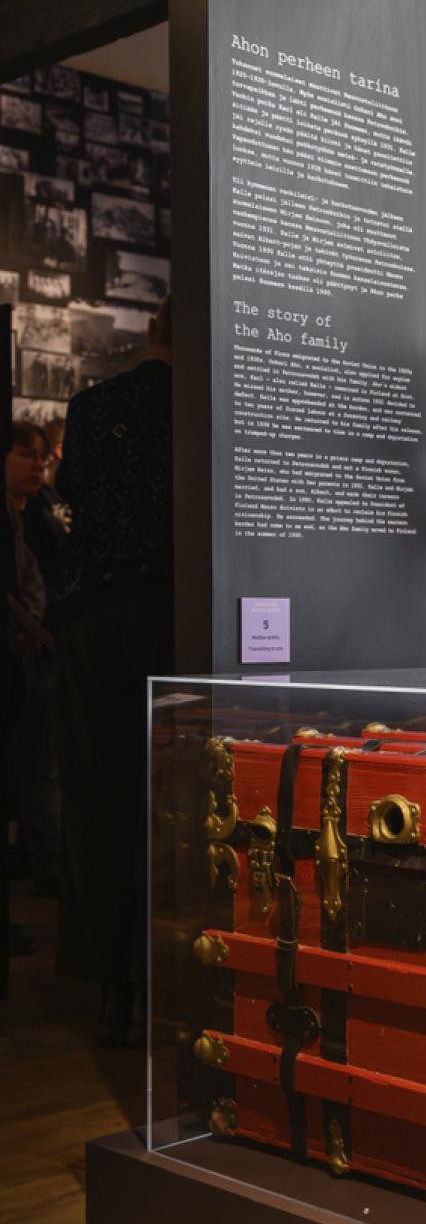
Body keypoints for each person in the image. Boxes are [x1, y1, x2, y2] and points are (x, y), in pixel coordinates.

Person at [50, 298, 175, 1044]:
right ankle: (161, 967)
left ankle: (112, 986)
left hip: (92, 613)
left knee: (98, 796)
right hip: (169, 611)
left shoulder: (93, 407)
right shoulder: (203, 408)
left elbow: (75, 502)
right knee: (171, 799)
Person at [6, 421, 60, 903]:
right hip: (26, 652)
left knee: (37, 760)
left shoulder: (41, 513)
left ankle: (36, 852)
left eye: (41, 456)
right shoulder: (23, 518)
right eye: (26, 454)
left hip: (39, 651)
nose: (38, 464)